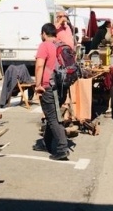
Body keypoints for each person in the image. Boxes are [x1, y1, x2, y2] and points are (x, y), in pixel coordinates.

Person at [31, 23, 70, 160]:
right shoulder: (61, 44)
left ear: (43, 33)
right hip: (62, 87)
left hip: (48, 86)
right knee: (52, 114)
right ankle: (46, 143)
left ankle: (62, 148)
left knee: (53, 117)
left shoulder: (44, 45)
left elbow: (39, 65)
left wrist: (38, 85)